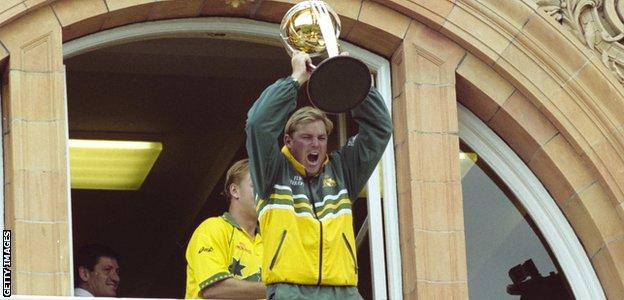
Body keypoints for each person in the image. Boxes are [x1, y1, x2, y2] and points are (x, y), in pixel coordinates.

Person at [245, 51, 393, 300]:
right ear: (288, 140)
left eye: (321, 138)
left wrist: (351, 77)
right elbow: (257, 124)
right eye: (307, 138)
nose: (316, 144)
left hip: (344, 291)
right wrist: (295, 79)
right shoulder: (272, 172)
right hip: (290, 291)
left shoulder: (342, 172)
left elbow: (380, 128)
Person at [185, 159, 265, 299]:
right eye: (256, 185)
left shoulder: (271, 240)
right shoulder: (212, 229)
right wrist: (276, 289)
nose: (264, 193)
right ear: (234, 190)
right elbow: (213, 289)